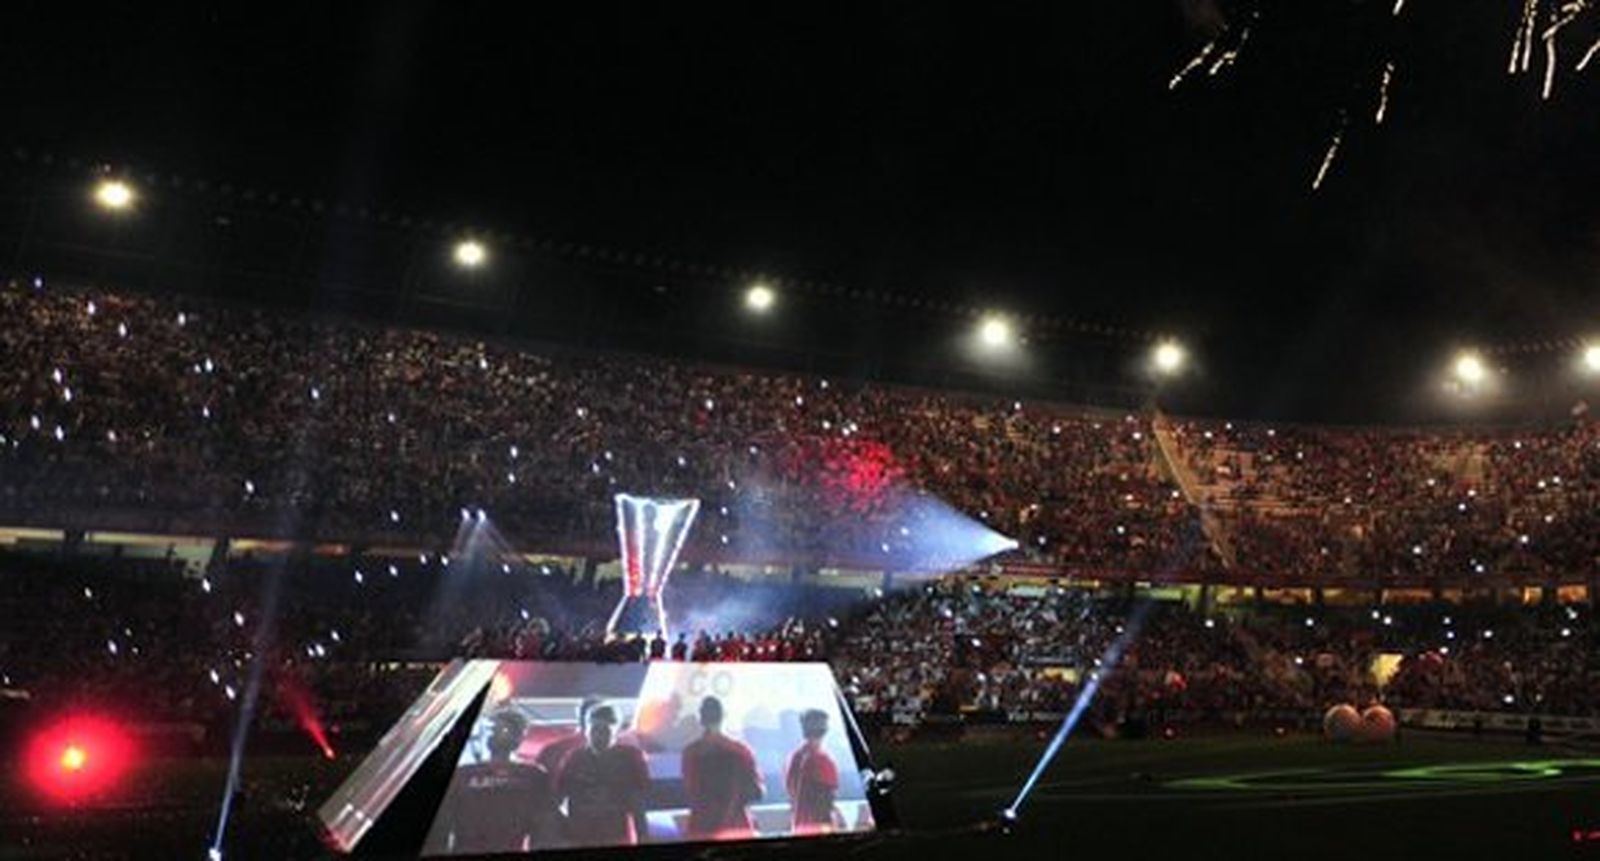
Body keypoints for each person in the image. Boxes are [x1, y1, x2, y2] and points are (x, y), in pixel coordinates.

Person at [430, 710, 558, 854]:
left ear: (519, 737)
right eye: (493, 729)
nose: (496, 734)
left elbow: (544, 828)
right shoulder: (463, 774)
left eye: (505, 729)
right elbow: (442, 826)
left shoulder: (533, 775)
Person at [555, 703, 651, 846]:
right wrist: (564, 831)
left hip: (617, 836)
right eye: (594, 730)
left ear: (617, 731)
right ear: (586, 730)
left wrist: (642, 836)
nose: (599, 736)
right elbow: (557, 798)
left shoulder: (630, 758)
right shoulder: (574, 759)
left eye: (605, 731)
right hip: (581, 836)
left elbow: (639, 803)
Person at [680, 695, 764, 840]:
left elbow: (690, 789)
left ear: (701, 719)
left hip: (700, 830)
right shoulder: (741, 751)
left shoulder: (690, 753)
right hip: (736, 830)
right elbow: (757, 792)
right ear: (723, 716)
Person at [784, 709, 842, 835]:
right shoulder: (823, 760)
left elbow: (790, 791)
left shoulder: (795, 758)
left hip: (799, 826)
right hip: (819, 829)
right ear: (825, 729)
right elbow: (825, 804)